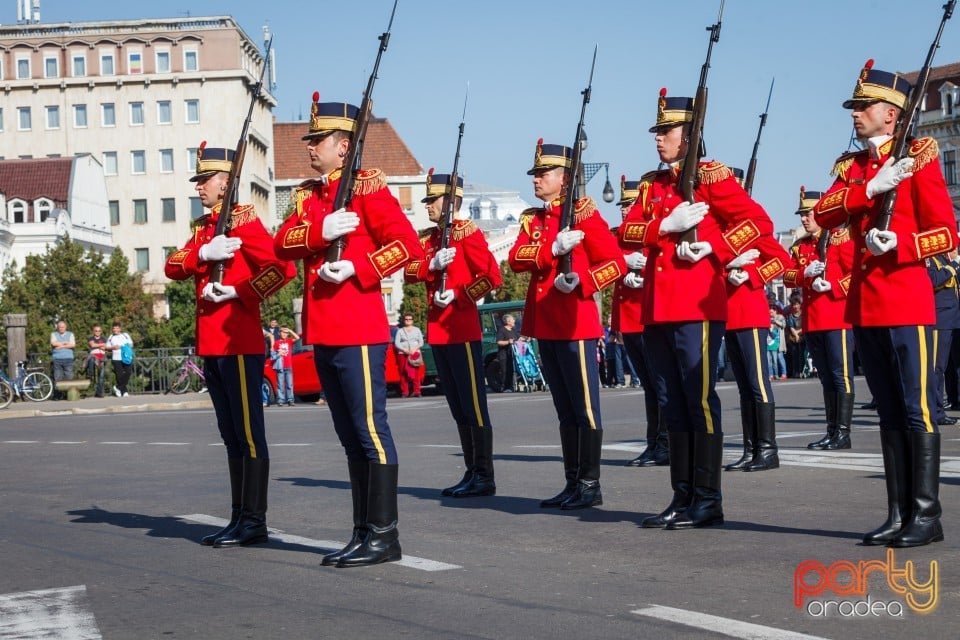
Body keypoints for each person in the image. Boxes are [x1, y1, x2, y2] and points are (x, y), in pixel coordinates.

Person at [813, 60, 958, 547]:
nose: (856, 114)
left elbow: (946, 232)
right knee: (890, 412)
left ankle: (926, 515)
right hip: (866, 304)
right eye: (855, 106)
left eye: (864, 106)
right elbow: (824, 212)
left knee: (918, 410)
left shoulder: (919, 157)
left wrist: (901, 245)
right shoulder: (852, 168)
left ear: (892, 114)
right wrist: (869, 189)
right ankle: (897, 513)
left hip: (909, 300)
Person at [274, 94, 422, 567]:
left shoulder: (369, 188)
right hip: (326, 330)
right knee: (349, 435)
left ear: (343, 146)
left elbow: (407, 246)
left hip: (359, 327)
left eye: (318, 140)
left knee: (370, 430)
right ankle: (363, 531)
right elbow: (284, 242)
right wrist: (321, 231)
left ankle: (384, 535)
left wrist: (359, 267)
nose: (309, 147)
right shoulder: (309, 196)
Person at [622, 88, 772, 529]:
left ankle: (707, 498)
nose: (658, 138)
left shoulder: (712, 177)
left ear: (690, 135)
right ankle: (681, 495)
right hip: (658, 308)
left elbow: (759, 225)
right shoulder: (653, 185)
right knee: (671, 403)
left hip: (697, 306)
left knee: (698, 401)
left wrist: (714, 246)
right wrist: (663, 226)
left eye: (666, 131)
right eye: (658, 131)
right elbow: (629, 232)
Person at [165, 141, 295, 548]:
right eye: (199, 180)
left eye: (205, 180)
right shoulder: (205, 229)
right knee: (231, 435)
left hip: (239, 343)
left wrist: (239, 292)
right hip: (214, 346)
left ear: (226, 183)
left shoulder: (244, 223)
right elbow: (173, 267)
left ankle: (254, 519)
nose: (199, 187)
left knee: (249, 433)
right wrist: (203, 252)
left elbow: (281, 268)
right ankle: (239, 516)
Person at [508, 138, 626, 510]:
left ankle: (590, 483)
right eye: (536, 173)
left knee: (584, 407)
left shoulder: (584, 213)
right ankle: (573, 481)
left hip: (576, 324)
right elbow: (516, 259)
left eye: (544, 173)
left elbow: (616, 262)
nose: (537, 179)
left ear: (565, 177)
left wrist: (583, 281)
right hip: (546, 324)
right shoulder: (534, 219)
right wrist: (552, 250)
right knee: (564, 409)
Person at [404, 169, 502, 497]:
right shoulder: (431, 239)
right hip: (439, 333)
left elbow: (491, 275)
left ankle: (484, 474)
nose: (427, 205)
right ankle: (471, 470)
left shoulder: (467, 234)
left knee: (473, 404)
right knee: (457, 405)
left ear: (451, 202)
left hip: (462, 329)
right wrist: (432, 264)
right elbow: (409, 271)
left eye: (433, 200)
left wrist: (461, 295)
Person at [783, 187, 856, 449]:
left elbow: (857, 273)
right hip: (813, 322)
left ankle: (843, 433)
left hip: (837, 319)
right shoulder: (800, 247)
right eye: (802, 214)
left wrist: (834, 286)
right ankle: (832, 430)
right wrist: (805, 274)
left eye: (809, 213)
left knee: (840, 376)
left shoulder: (840, 238)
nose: (804, 218)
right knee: (826, 378)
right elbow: (787, 276)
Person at [613, 175, 667, 467]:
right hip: (629, 320)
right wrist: (623, 266)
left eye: (630, 203)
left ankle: (663, 443)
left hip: (646, 318)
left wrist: (644, 271)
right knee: (649, 385)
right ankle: (655, 442)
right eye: (622, 204)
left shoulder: (648, 234)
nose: (624, 208)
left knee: (658, 385)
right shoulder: (620, 235)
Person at [394, 314, 425, 398]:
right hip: (403, 354)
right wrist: (405, 350)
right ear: (404, 321)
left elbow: (421, 342)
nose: (408, 320)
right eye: (406, 319)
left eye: (409, 319)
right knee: (403, 373)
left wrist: (414, 350)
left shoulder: (417, 330)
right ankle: (405, 392)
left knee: (416, 373)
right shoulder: (400, 331)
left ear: (412, 321)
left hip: (415, 354)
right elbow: (397, 343)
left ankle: (417, 391)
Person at [273, 326, 300, 407]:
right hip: (280, 367)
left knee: (289, 384)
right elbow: (273, 355)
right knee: (280, 384)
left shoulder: (289, 341)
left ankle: (290, 400)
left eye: (286, 333)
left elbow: (297, 337)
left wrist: (290, 330)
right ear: (279, 333)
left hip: (288, 366)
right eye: (283, 332)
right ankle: (280, 400)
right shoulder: (276, 343)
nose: (285, 334)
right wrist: (278, 354)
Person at [105, 322, 133, 397]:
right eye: (114, 328)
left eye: (117, 328)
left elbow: (131, 344)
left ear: (120, 328)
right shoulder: (111, 337)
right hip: (116, 358)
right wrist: (113, 348)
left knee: (128, 372)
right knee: (119, 375)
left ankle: (118, 387)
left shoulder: (125, 335)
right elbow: (107, 347)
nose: (115, 330)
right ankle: (124, 391)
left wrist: (123, 346)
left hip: (126, 357)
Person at [50, 320, 75, 400]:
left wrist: (60, 346)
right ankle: (57, 395)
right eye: (60, 327)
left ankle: (68, 395)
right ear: (58, 328)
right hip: (57, 359)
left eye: (63, 327)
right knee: (57, 377)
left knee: (69, 377)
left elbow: (73, 344)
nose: (61, 328)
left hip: (68, 358)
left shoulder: (70, 334)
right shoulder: (53, 334)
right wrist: (66, 343)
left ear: (65, 327)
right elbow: (53, 344)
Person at [495, 314, 519, 392]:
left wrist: (526, 338)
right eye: (513, 320)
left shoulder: (513, 330)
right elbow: (499, 342)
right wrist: (508, 341)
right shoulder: (502, 330)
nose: (514, 321)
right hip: (503, 355)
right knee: (505, 371)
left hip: (511, 355)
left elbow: (517, 339)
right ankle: (504, 388)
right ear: (508, 322)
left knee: (511, 371)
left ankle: (511, 387)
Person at [85, 324, 108, 397]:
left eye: (99, 331)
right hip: (94, 356)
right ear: (93, 331)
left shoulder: (104, 339)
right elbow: (92, 345)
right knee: (91, 359)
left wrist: (97, 345)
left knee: (101, 376)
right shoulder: (91, 338)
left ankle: (99, 392)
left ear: (101, 332)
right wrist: (101, 345)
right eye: (96, 331)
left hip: (102, 358)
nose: (97, 332)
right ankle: (90, 374)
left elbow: (105, 347)